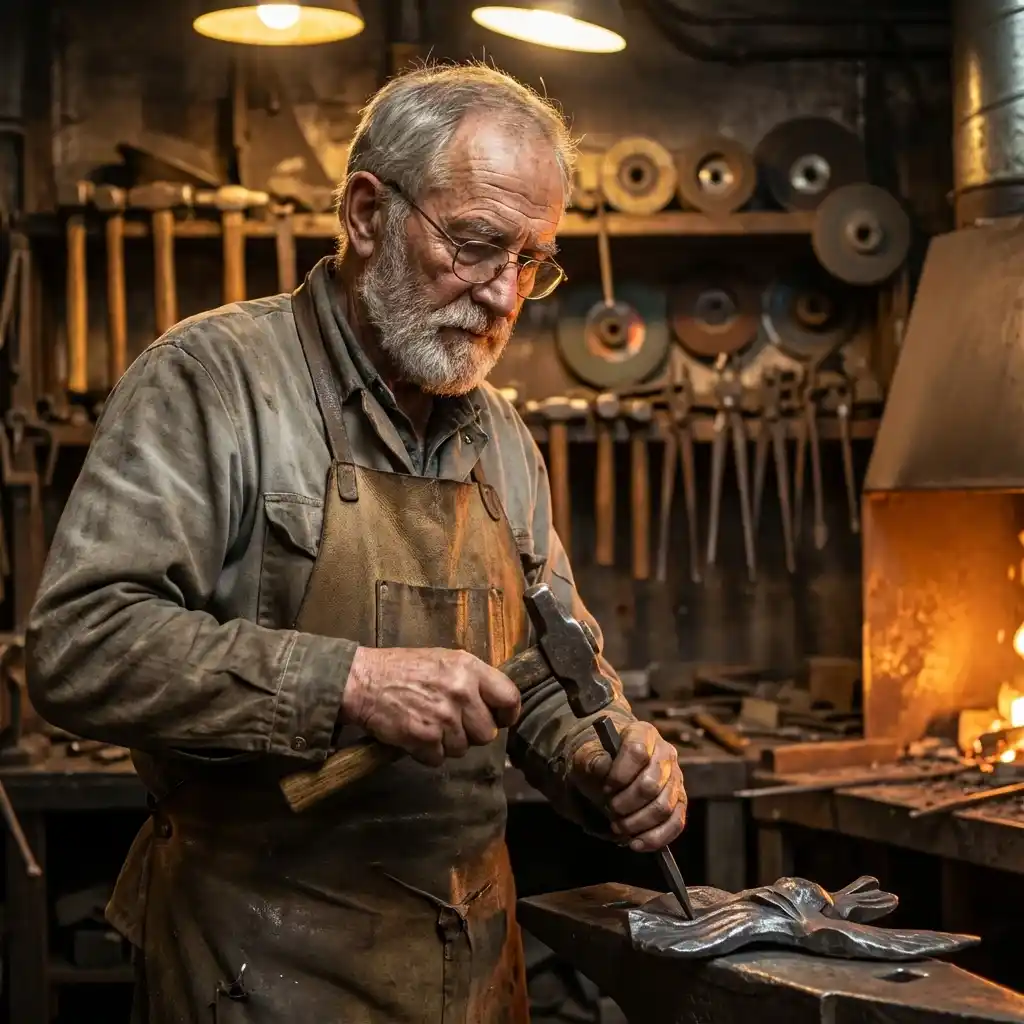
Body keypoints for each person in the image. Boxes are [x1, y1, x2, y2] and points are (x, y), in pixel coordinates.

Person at [26, 63, 687, 1023]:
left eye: (532, 261)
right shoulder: (211, 383)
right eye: (475, 245)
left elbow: (549, 669)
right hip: (258, 965)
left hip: (473, 968)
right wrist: (350, 684)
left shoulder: (499, 435)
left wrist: (606, 760)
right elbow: (80, 645)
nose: (505, 296)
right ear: (369, 213)